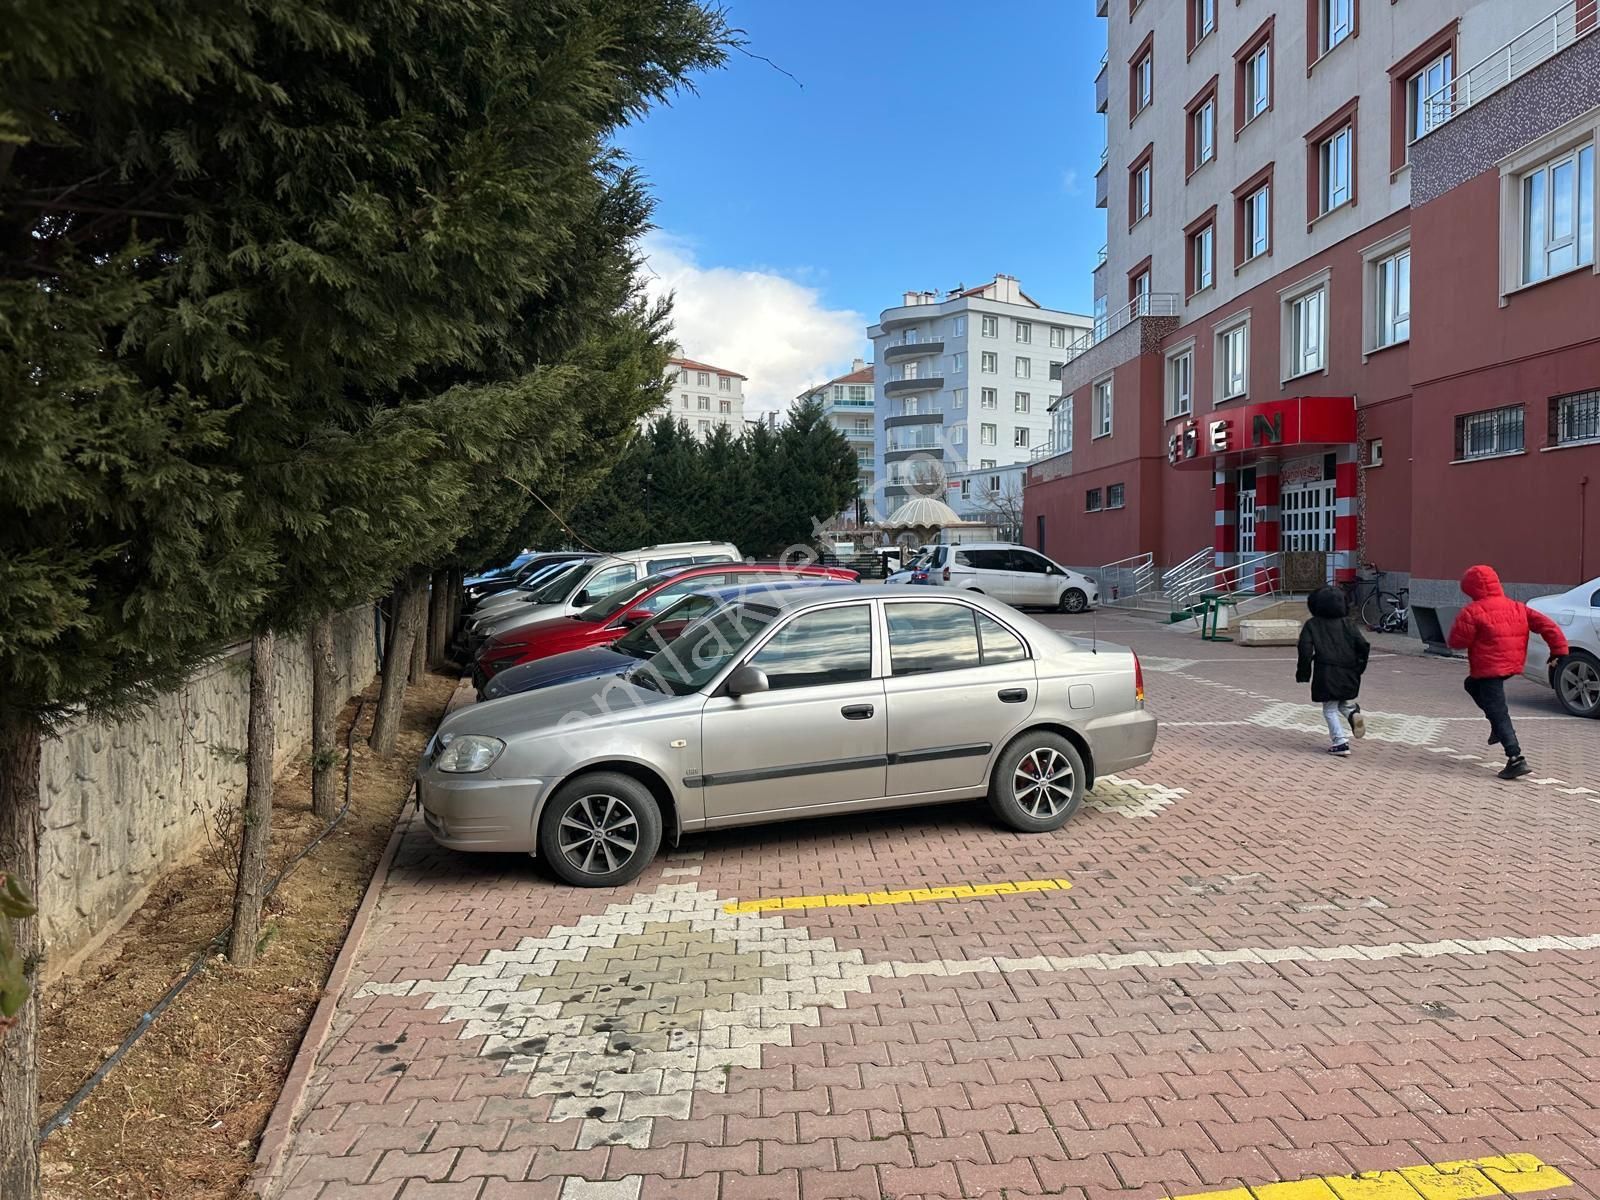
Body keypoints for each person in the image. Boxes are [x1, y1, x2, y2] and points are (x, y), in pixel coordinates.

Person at [1446, 564, 1569, 780]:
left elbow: (1457, 642)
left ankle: (1515, 758)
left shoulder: (1472, 611)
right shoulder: (1517, 607)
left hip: (1488, 668)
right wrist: (1558, 651)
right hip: (1512, 665)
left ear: (1470, 589)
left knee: (1498, 709)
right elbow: (1548, 626)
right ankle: (1496, 726)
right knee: (1471, 684)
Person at [1296, 586, 1370, 756]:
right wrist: (1359, 667)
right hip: (1349, 669)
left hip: (1326, 670)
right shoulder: (1348, 623)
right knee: (1340, 700)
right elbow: (1363, 645)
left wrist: (1304, 672)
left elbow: (1305, 649)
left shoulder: (1313, 624)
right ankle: (1352, 713)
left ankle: (1340, 741)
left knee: (1329, 708)